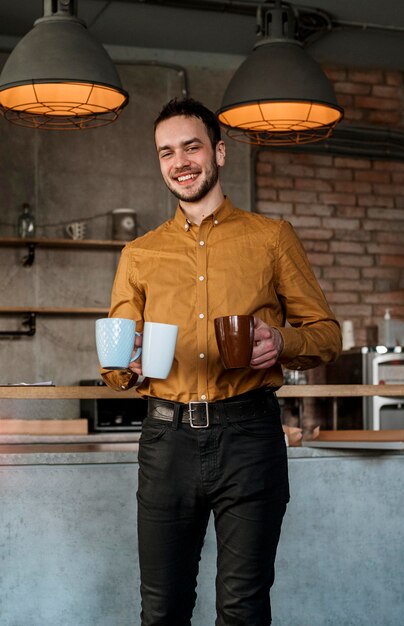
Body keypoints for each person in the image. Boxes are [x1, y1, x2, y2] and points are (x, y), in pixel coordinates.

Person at [101, 98, 342, 626]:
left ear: (219, 152)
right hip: (166, 442)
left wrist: (281, 342)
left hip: (249, 436)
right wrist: (128, 366)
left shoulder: (271, 237)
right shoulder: (139, 255)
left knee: (243, 608)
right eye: (166, 152)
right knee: (163, 610)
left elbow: (327, 334)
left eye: (191, 146)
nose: (180, 161)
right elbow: (117, 359)